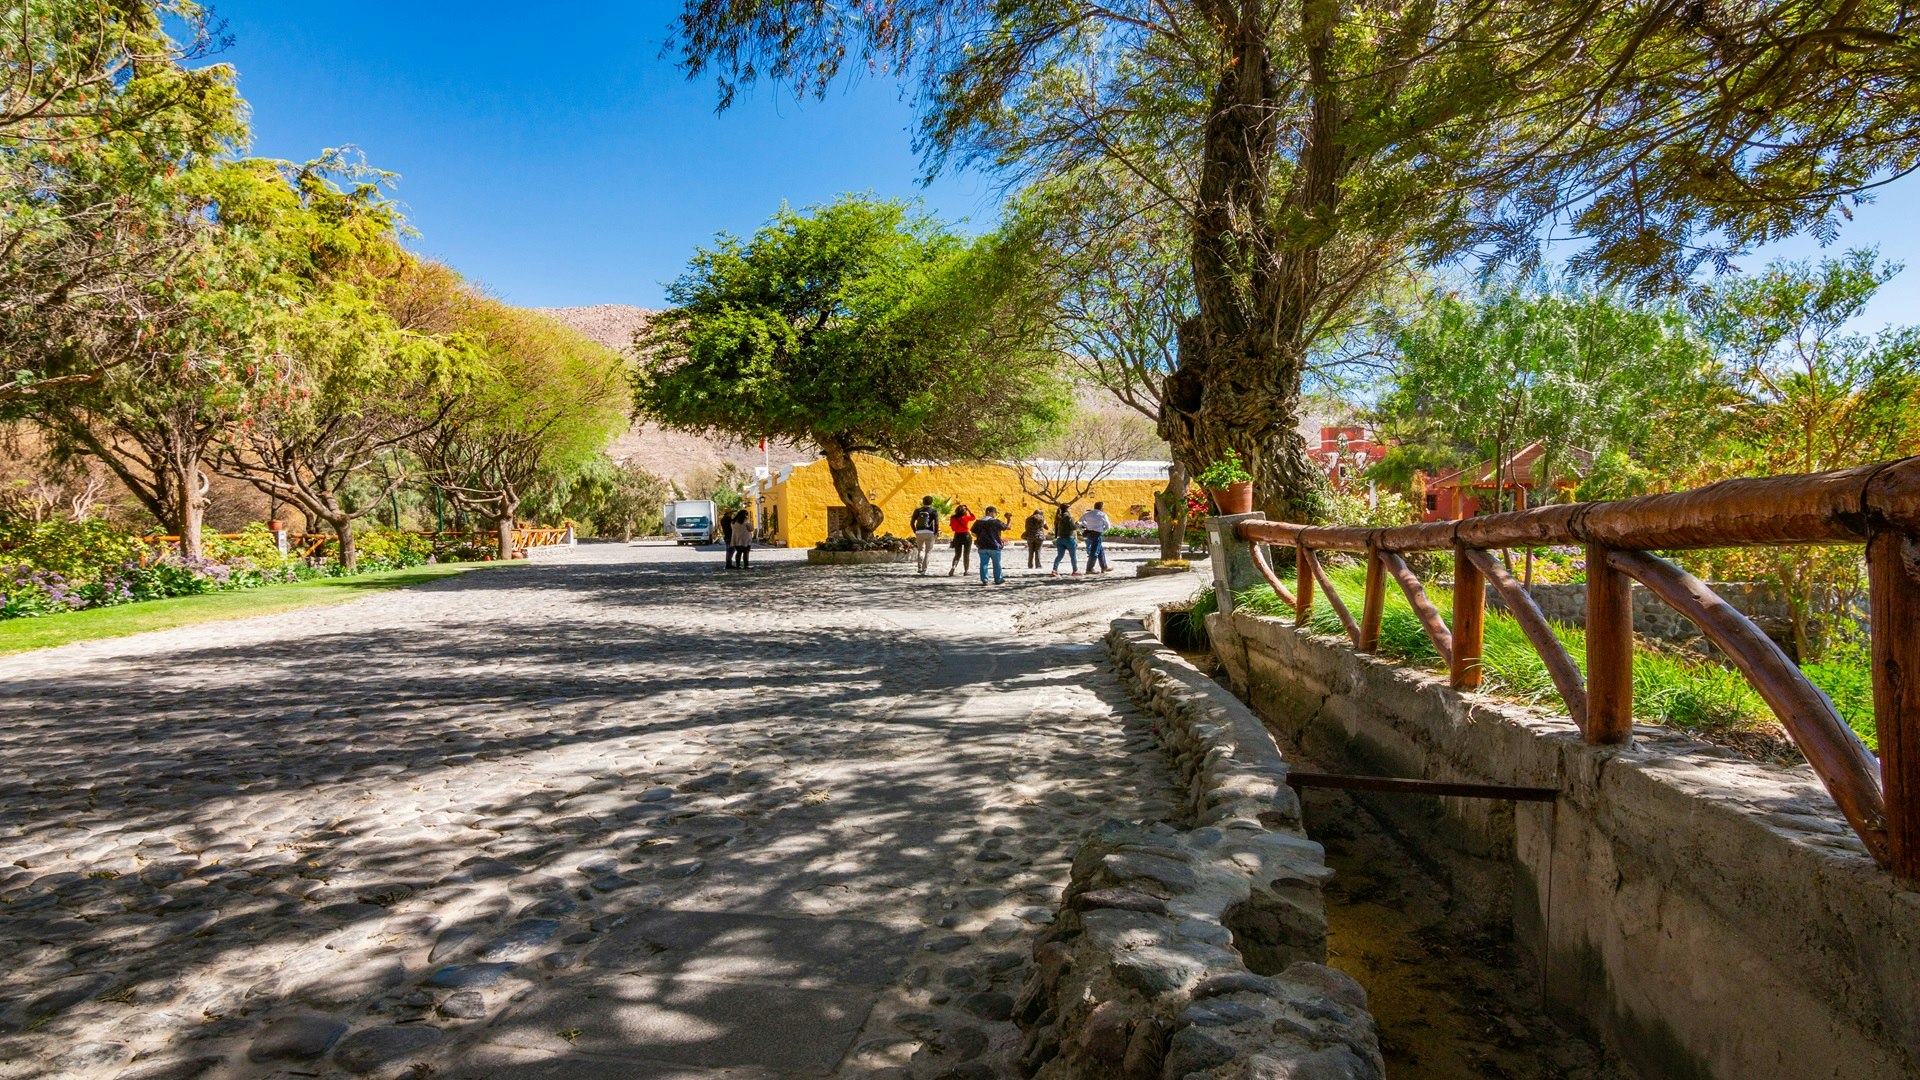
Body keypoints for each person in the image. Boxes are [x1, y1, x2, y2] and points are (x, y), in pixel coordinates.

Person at [971, 506, 1009, 585]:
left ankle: (985, 580)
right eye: (995, 513)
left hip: (982, 546)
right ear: (990, 512)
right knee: (997, 564)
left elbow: (973, 533)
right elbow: (1007, 527)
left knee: (983, 563)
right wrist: (1009, 519)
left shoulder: (978, 522)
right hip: (994, 546)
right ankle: (998, 579)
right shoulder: (996, 522)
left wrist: (980, 537)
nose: (995, 515)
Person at [1079, 500, 1113, 574]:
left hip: (1089, 533)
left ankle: (1104, 567)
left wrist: (1086, 526)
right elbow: (1108, 526)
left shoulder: (1088, 514)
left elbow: (1080, 521)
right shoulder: (1102, 515)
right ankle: (1089, 569)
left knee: (1100, 550)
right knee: (1094, 552)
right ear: (1102, 508)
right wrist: (1102, 530)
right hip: (1097, 534)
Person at [910, 495, 941, 575]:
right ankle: (924, 569)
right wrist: (935, 533)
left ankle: (919, 567)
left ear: (923, 502)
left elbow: (912, 522)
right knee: (928, 552)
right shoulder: (933, 511)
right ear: (931, 502)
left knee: (920, 550)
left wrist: (915, 531)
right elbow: (936, 523)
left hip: (919, 532)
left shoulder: (917, 510)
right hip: (929, 532)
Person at [947, 503, 976, 576]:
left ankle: (953, 567)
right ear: (964, 511)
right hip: (966, 536)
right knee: (966, 554)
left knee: (957, 554)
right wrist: (969, 509)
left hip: (957, 536)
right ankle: (966, 571)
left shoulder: (953, 518)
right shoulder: (965, 517)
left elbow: (953, 528)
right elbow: (973, 517)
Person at [1051, 503, 1079, 576]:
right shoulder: (1069, 517)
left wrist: (1056, 537)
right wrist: (1078, 524)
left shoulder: (1058, 518)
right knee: (1073, 556)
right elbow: (1073, 527)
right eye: (1070, 508)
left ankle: (1054, 570)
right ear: (1067, 509)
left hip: (1060, 539)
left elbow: (1056, 529)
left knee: (1059, 556)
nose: (1071, 510)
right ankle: (1075, 571)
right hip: (1069, 538)